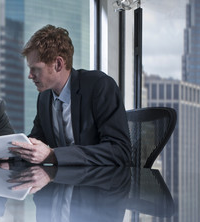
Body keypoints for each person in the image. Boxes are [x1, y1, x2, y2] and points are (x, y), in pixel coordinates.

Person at [9, 25, 131, 166]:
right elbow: (36, 142)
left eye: (35, 69)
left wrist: (53, 156)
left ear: (58, 64)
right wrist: (3, 154)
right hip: (62, 182)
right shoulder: (44, 98)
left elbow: (119, 151)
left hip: (99, 183)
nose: (30, 76)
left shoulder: (99, 86)